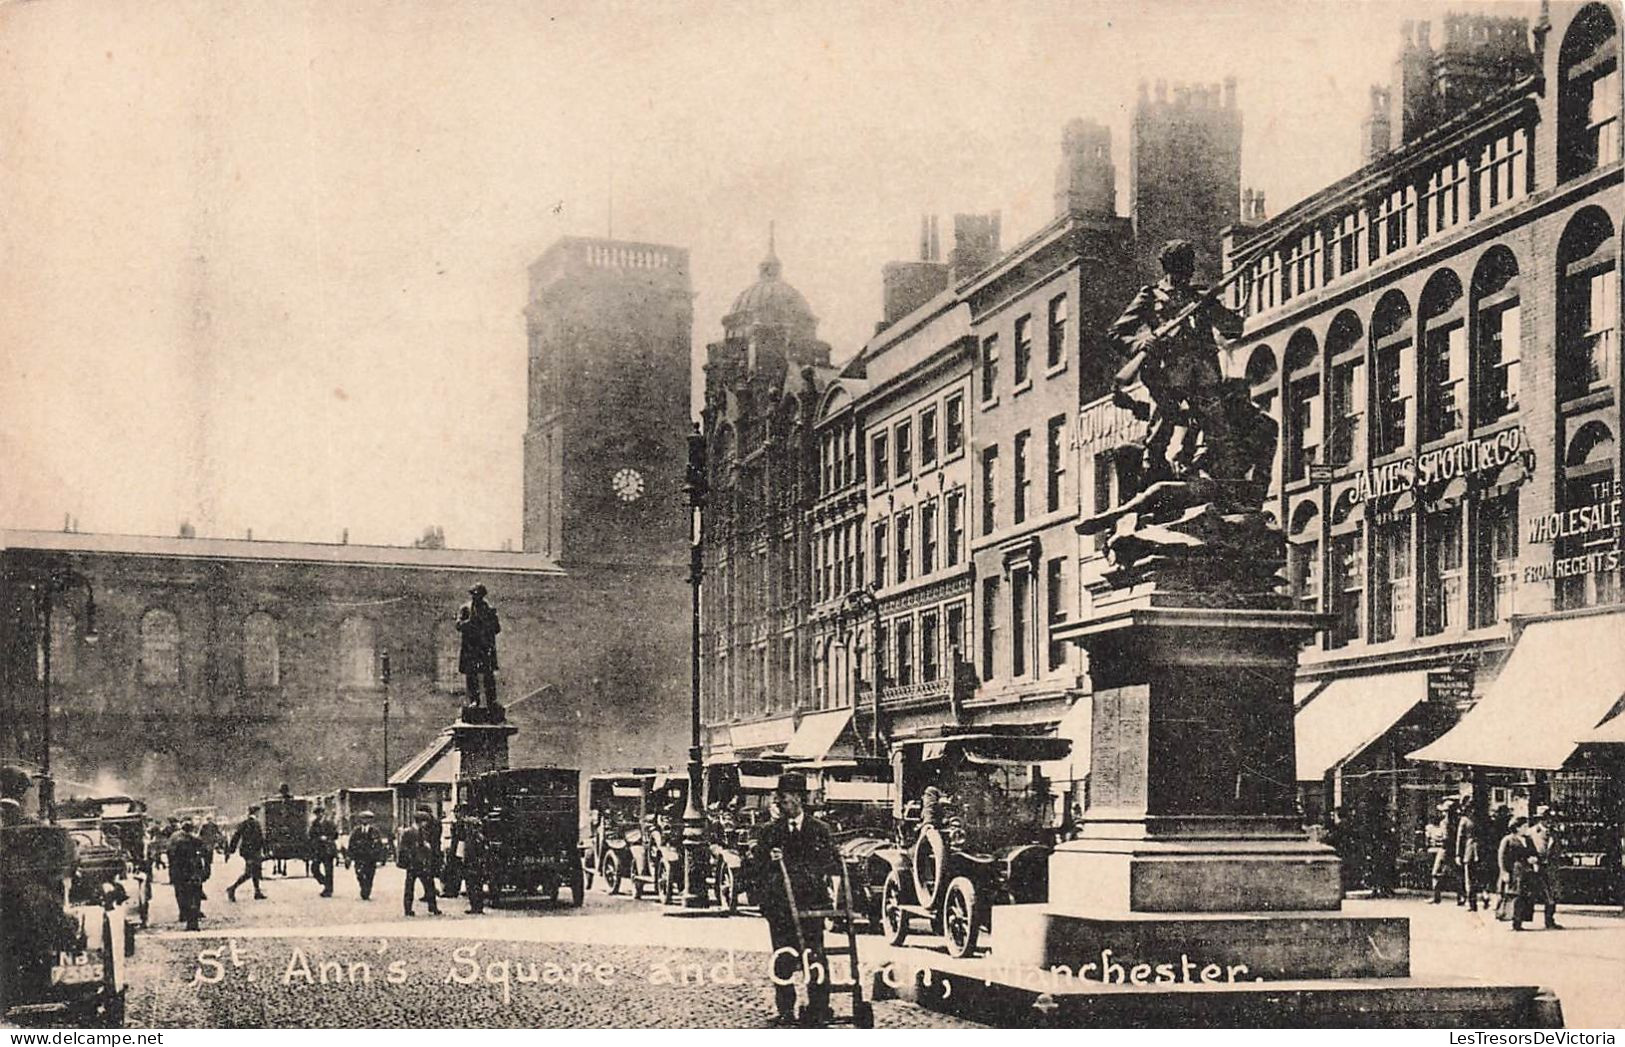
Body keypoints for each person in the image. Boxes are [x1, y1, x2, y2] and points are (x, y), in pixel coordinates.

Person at [1108, 238, 1247, 484]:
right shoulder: (1151, 295)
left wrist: (1216, 308)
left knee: (1219, 432)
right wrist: (1142, 342)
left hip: (1203, 373)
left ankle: (1225, 487)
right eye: (1183, 267)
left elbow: (1233, 330)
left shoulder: (1200, 297)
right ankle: (1152, 482)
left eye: (1189, 267)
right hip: (1167, 375)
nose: (1188, 273)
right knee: (1161, 430)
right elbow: (1116, 333)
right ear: (1169, 268)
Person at [749, 773, 840, 1027]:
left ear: (799, 798)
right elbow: (755, 867)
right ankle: (785, 1010)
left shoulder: (819, 830)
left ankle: (819, 1008)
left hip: (812, 905)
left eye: (785, 798)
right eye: (779, 799)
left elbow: (829, 863)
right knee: (783, 957)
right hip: (781, 907)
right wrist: (769, 858)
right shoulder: (770, 832)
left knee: (815, 956)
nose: (780, 803)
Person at [455, 584, 502, 710]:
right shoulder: (465, 609)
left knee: (488, 675)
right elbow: (458, 625)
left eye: (479, 596)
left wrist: (486, 623)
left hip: (485, 647)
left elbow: (497, 628)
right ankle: (474, 700)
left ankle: (491, 701)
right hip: (471, 647)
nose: (477, 598)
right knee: (471, 675)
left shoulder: (490, 610)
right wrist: (470, 623)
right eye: (474, 595)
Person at [397, 808, 442, 917]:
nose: (426, 824)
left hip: (422, 863)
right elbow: (403, 848)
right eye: (425, 821)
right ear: (420, 821)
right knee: (411, 887)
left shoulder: (423, 832)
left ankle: (432, 907)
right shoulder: (409, 832)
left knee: (429, 886)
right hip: (414, 863)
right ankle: (408, 909)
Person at [167, 819, 210, 931]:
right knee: (194, 895)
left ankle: (183, 914)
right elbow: (205, 851)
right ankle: (193, 921)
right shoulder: (193, 839)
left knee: (181, 894)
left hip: (178, 871)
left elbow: (170, 854)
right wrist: (205, 868)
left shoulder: (174, 838)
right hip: (192, 870)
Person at [1496, 816, 1536, 930]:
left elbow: (1534, 852)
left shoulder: (1528, 839)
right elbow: (1501, 857)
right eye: (1524, 826)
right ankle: (1515, 921)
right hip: (1514, 871)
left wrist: (1533, 859)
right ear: (1517, 828)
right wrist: (1504, 872)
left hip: (1526, 871)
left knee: (1525, 896)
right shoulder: (1508, 840)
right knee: (1515, 896)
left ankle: (1521, 920)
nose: (1526, 828)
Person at [1528, 806, 1564, 929]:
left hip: (1551, 867)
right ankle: (1520, 920)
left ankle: (1549, 920)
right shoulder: (1531, 832)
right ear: (1539, 820)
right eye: (1545, 819)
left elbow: (1558, 850)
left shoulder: (1555, 833)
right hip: (1535, 866)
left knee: (1552, 894)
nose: (1549, 822)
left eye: (1550, 819)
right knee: (1530, 893)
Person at [226, 807, 268, 902]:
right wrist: (264, 849)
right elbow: (259, 838)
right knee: (249, 872)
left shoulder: (245, 823)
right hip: (252, 852)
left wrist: (231, 849)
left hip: (248, 851)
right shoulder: (255, 823)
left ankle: (257, 892)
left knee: (256, 871)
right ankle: (232, 889)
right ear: (256, 812)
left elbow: (236, 836)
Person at [348, 811, 386, 901]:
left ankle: (367, 891)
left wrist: (379, 857)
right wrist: (349, 856)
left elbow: (379, 845)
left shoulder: (375, 831)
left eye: (368, 818)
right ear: (360, 820)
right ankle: (363, 887)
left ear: (371, 820)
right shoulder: (356, 831)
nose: (365, 820)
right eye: (363, 818)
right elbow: (351, 843)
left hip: (370, 858)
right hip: (359, 857)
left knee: (370, 875)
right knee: (359, 874)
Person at [1427, 800, 1458, 904]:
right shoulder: (1457, 821)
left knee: (1436, 873)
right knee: (1458, 874)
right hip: (1455, 850)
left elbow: (1446, 837)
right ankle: (1461, 897)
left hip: (1445, 849)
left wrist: (1437, 837)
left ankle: (1436, 896)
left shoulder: (1444, 822)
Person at [1456, 803, 1485, 912]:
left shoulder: (1466, 820)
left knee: (1473, 879)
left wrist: (1458, 854)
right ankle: (1473, 902)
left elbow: (1460, 838)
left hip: (1474, 852)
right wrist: (1458, 854)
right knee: (1472, 879)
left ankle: (1476, 901)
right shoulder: (1472, 820)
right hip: (1473, 852)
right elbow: (1460, 839)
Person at [459, 814, 490, 915]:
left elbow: (470, 852)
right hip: (476, 865)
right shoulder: (477, 837)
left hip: (473, 865)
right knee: (476, 886)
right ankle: (477, 907)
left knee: (473, 886)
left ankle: (476, 907)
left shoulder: (473, 838)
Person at [309, 805, 338, 897]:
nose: (319, 815)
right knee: (314, 869)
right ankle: (325, 882)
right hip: (318, 850)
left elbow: (335, 835)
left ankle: (328, 890)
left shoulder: (329, 823)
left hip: (328, 849)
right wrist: (317, 839)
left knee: (328, 870)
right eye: (317, 814)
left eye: (320, 813)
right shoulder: (314, 823)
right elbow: (311, 835)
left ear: (323, 813)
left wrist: (327, 838)